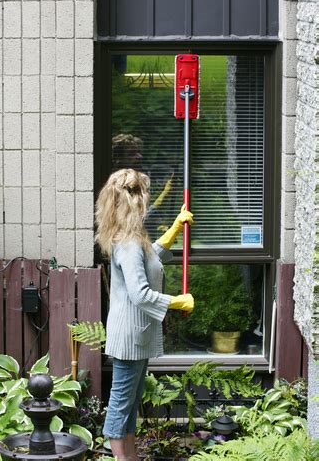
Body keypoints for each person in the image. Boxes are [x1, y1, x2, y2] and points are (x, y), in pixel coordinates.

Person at [95, 168, 194, 461]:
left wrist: (175, 229)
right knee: (120, 407)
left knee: (130, 403)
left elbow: (150, 255)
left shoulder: (132, 239)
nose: (147, 203)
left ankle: (131, 457)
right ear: (134, 202)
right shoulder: (127, 244)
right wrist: (178, 301)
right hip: (129, 339)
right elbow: (140, 294)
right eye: (144, 198)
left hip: (135, 338)